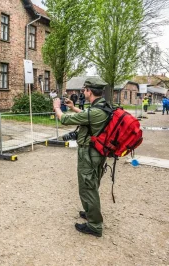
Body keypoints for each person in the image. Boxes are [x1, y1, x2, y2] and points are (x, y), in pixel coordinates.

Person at [53, 77, 110, 237]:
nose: (83, 92)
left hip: (89, 153)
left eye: (84, 90)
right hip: (98, 152)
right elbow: (88, 116)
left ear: (89, 91)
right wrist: (73, 107)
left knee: (87, 187)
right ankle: (90, 212)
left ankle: (95, 225)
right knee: (92, 183)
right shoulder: (103, 107)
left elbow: (64, 119)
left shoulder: (95, 111)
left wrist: (57, 108)